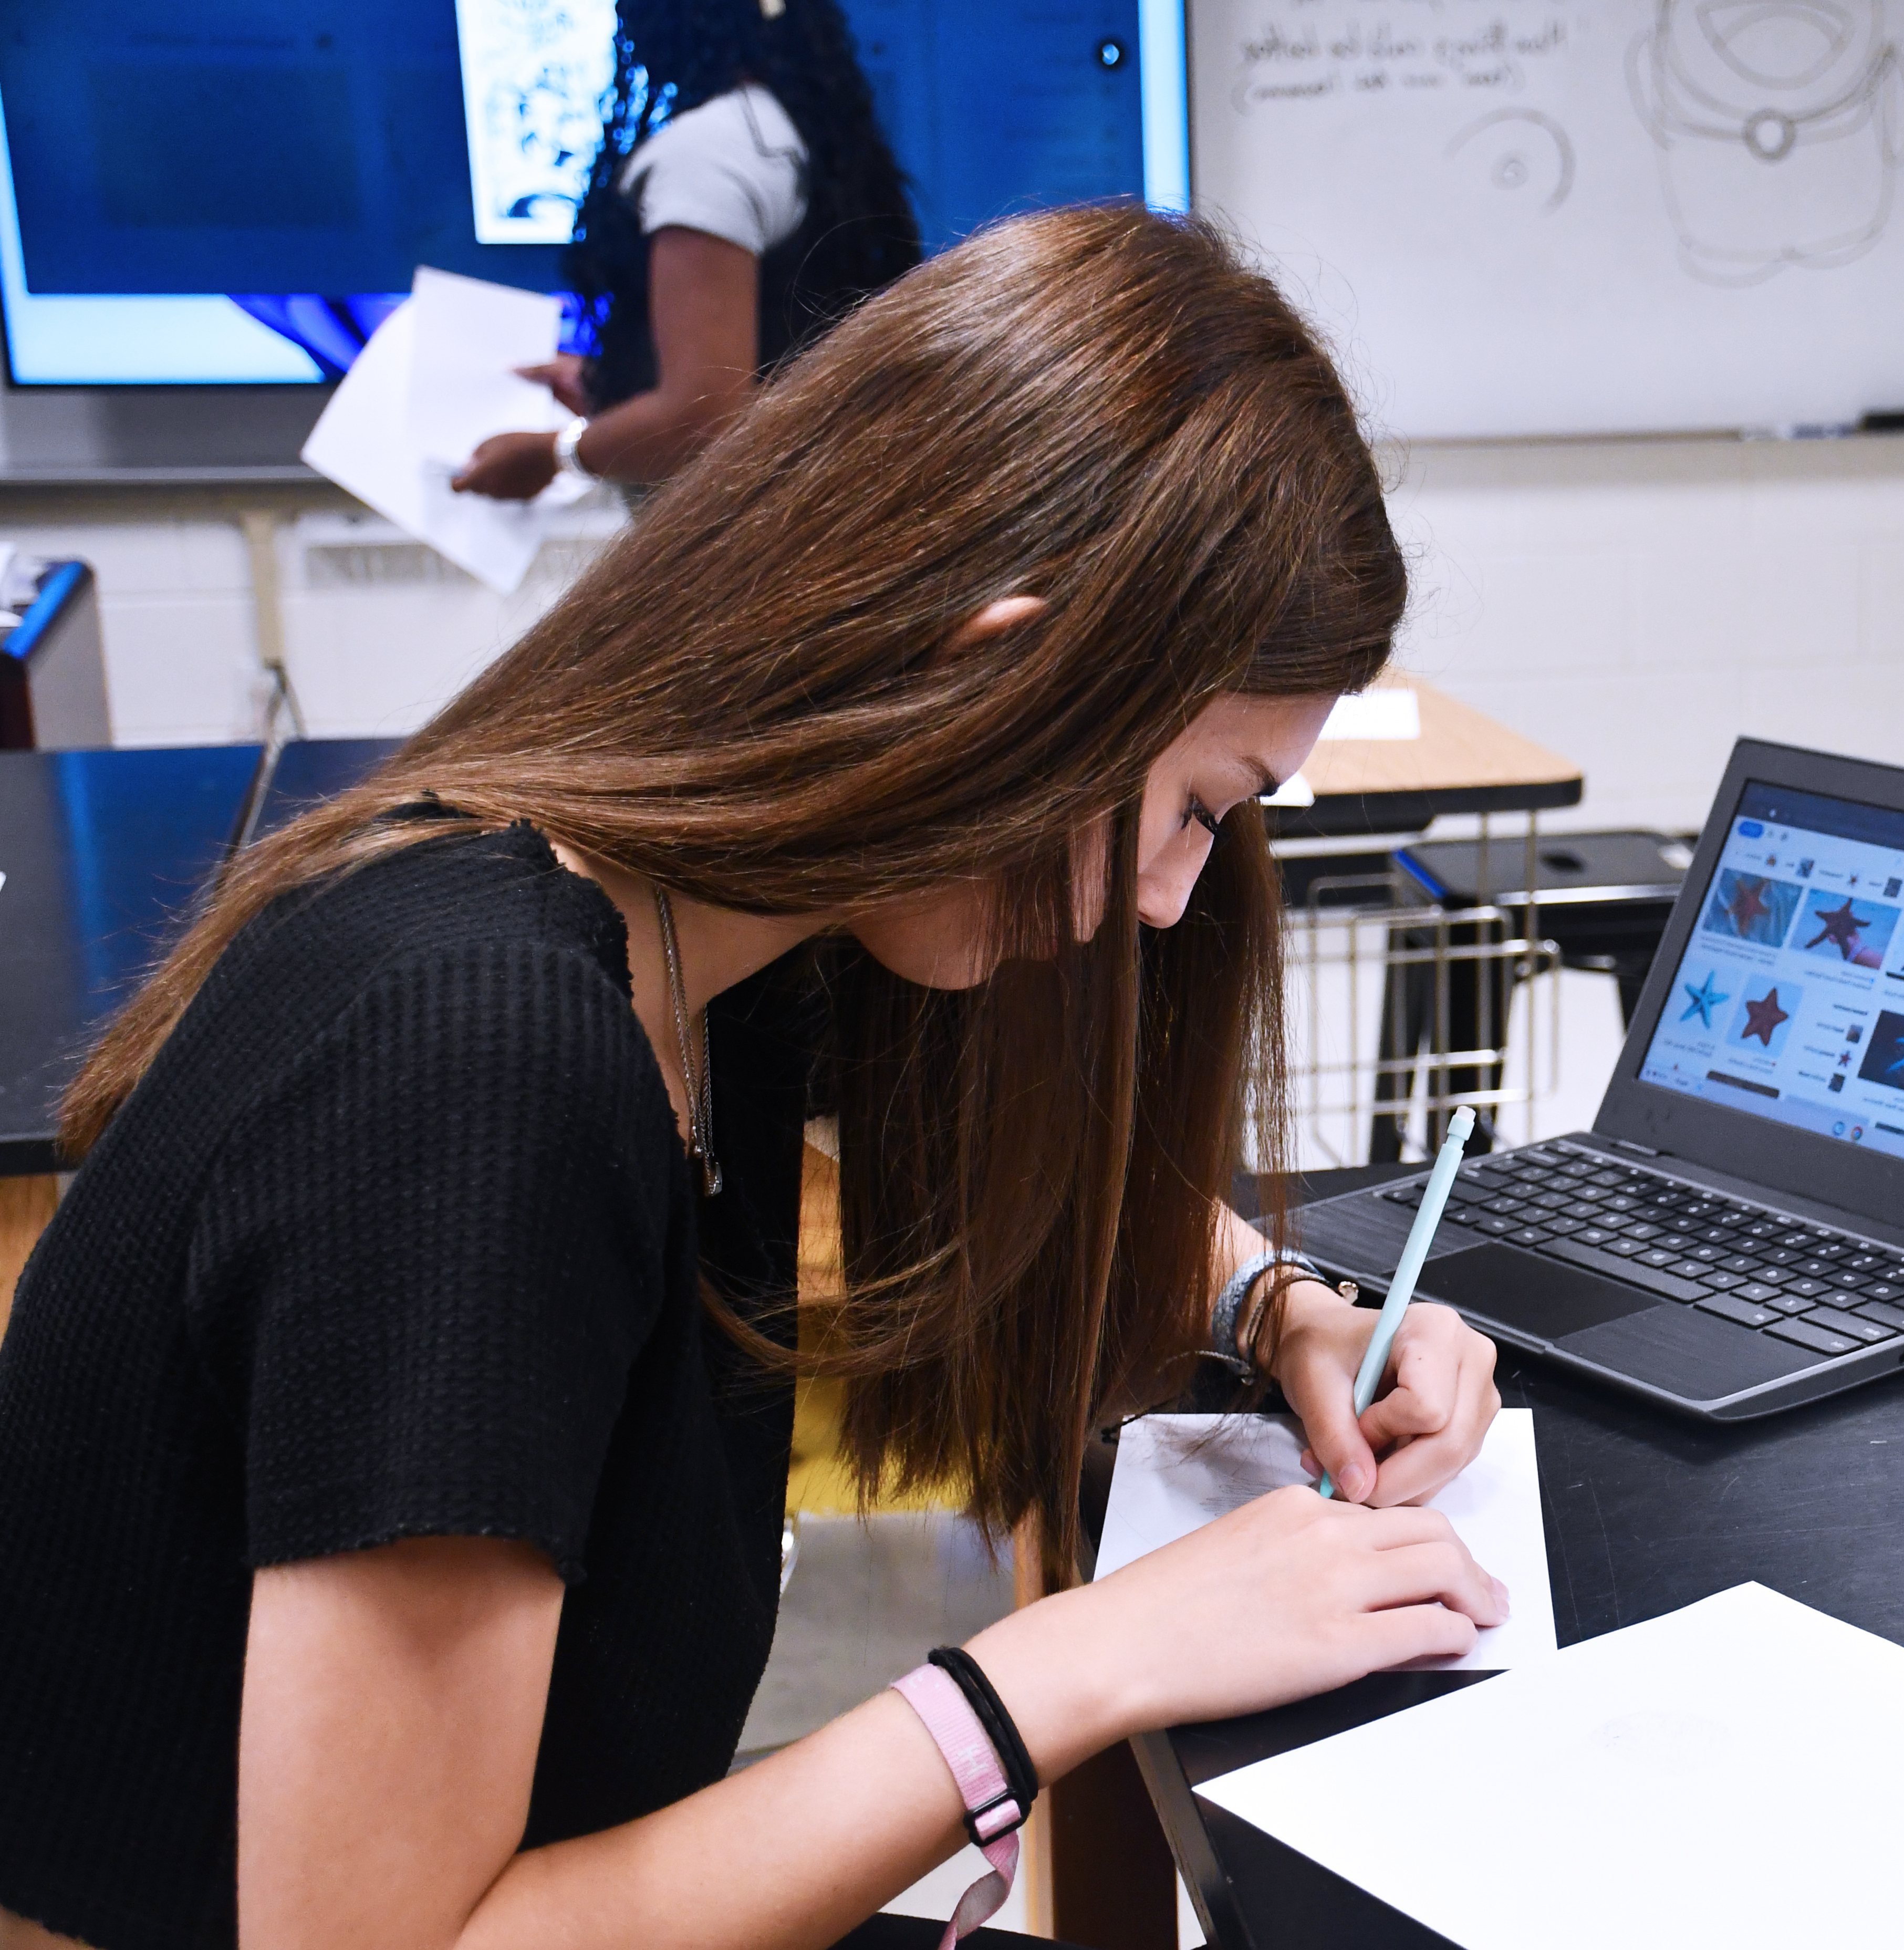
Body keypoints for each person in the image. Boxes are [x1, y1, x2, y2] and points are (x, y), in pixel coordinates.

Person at [0, 207, 1505, 1950]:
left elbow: (1032, 1171)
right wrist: (1073, 1664)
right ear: (994, 672)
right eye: (1189, 809)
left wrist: (1281, 1307)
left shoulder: (717, 916)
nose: (1166, 904)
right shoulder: (485, 1057)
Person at [453, 0, 920, 501]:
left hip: (739, 535)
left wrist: (552, 456)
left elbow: (701, 416)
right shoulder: (791, 128)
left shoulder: (706, 154)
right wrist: (614, 383)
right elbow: (774, 357)